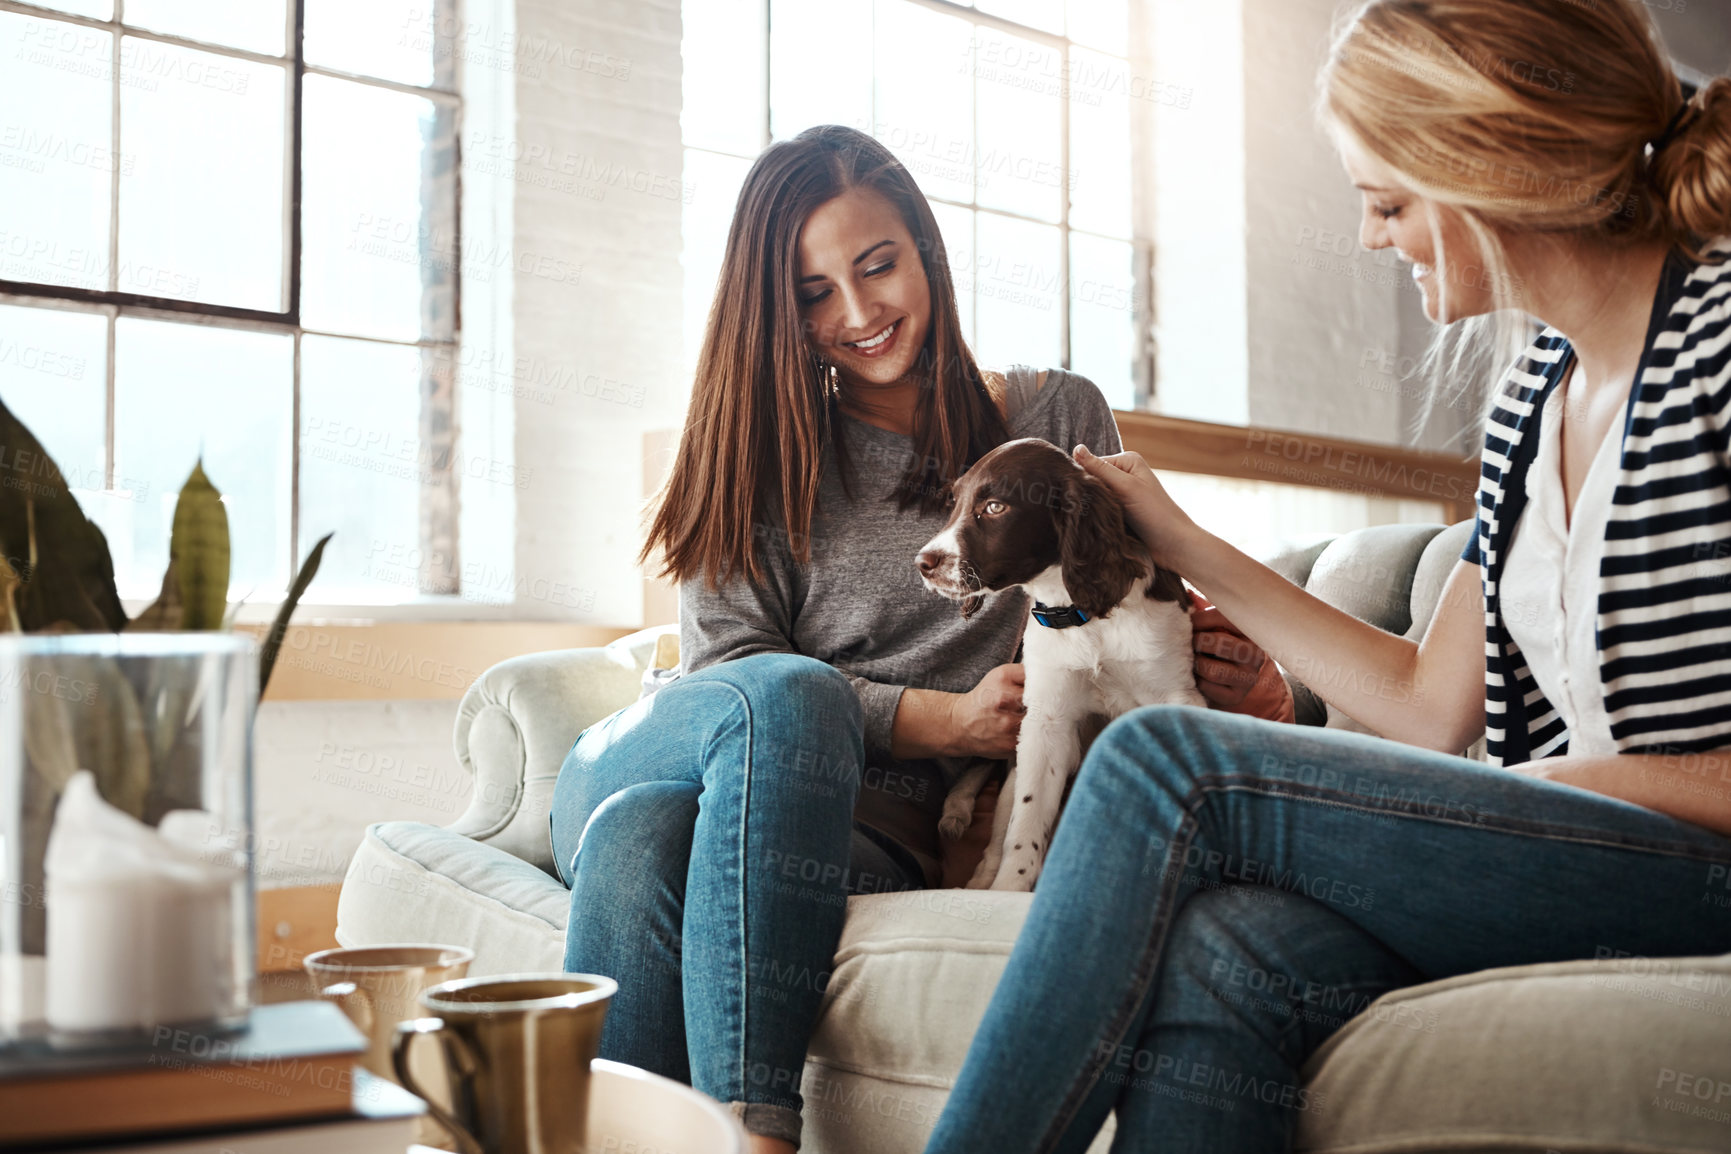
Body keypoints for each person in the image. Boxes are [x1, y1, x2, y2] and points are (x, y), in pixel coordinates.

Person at [921, 1, 1731, 1150]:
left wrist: (1579, 785)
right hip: (1558, 839)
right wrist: (1183, 539)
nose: (1369, 236)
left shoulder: (1720, 350)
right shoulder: (1530, 407)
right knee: (1226, 949)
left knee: (1164, 757)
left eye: (1388, 199)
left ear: (1489, 163)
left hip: (1680, 861)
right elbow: (1423, 702)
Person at [546, 124, 1290, 1153]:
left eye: (877, 263)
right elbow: (729, 679)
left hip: (855, 833)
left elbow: (1131, 608)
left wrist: (1267, 687)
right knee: (783, 698)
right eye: (814, 292)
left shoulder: (1053, 417)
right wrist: (937, 718)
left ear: (924, 252)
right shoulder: (757, 453)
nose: (858, 311)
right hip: (676, 745)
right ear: (780, 310)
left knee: (639, 839)